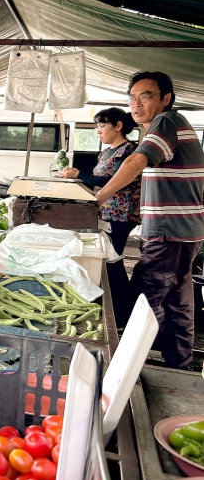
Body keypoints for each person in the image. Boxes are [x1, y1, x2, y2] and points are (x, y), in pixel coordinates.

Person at [96, 71, 204, 369]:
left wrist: (99, 198)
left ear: (166, 99)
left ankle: (131, 367)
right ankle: (178, 362)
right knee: (177, 300)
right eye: (132, 98)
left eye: (146, 96)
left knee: (145, 297)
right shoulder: (172, 125)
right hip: (184, 231)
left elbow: (136, 160)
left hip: (169, 231)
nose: (137, 104)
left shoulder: (167, 121)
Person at [59, 108, 141, 326]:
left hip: (121, 214)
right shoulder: (106, 152)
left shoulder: (129, 151)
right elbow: (98, 180)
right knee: (106, 259)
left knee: (112, 260)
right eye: (97, 127)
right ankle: (115, 308)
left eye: (102, 126)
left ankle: (123, 313)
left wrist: (79, 174)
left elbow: (112, 181)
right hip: (105, 212)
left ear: (118, 126)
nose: (98, 131)